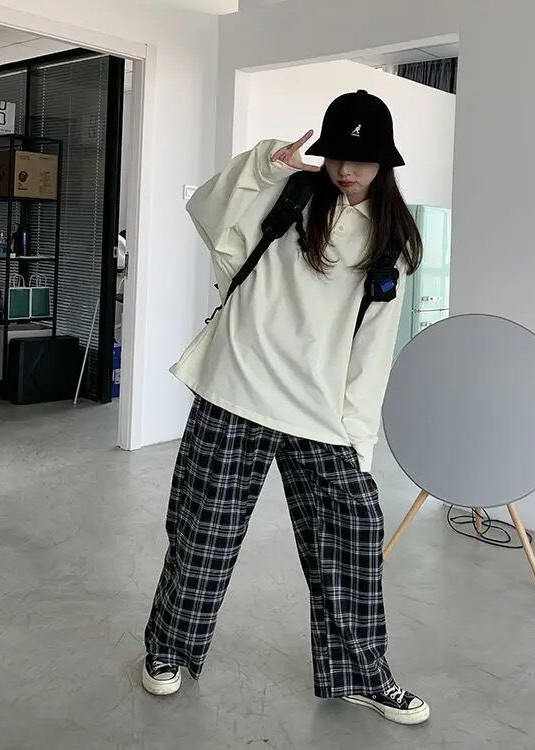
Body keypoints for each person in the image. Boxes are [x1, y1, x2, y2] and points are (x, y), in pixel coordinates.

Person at [141, 90, 428, 725]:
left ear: (385, 163)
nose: (346, 169)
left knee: (352, 539)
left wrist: (358, 442)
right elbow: (207, 209)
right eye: (337, 155)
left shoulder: (393, 244)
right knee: (202, 533)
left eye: (362, 159)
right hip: (236, 386)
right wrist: (267, 163)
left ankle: (360, 674)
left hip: (319, 412)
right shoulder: (290, 196)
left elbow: (371, 354)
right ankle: (168, 648)